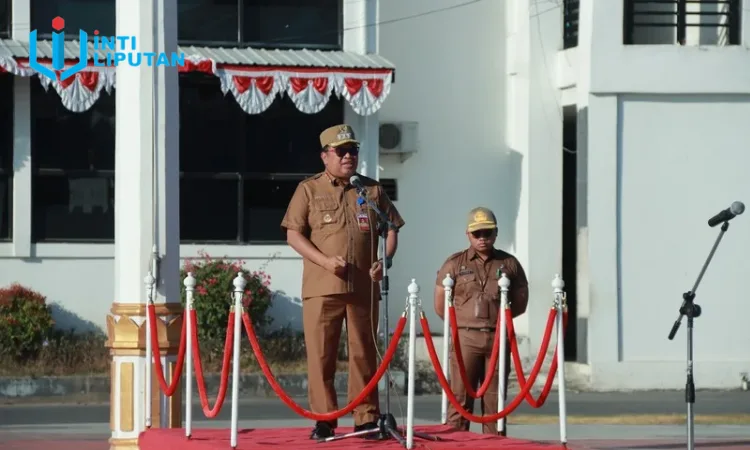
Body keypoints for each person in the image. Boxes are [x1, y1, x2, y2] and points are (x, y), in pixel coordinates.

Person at [281, 124, 405, 440]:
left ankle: (366, 418)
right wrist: (324, 261)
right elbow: (293, 234)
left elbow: (391, 227)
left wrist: (385, 260)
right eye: (341, 151)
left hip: (363, 286)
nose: (349, 156)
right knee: (322, 355)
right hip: (323, 287)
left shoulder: (371, 190)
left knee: (364, 353)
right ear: (325, 156)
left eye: (353, 150)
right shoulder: (309, 190)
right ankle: (325, 420)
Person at [433, 207, 528, 436]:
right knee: (460, 399)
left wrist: (496, 320)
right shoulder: (454, 264)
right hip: (465, 338)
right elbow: (440, 305)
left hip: (497, 337)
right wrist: (463, 324)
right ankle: (457, 443)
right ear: (468, 234)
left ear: (496, 233)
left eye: (487, 232)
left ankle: (493, 443)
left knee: (495, 402)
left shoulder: (509, 263)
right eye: (477, 233)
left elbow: (520, 303)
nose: (482, 238)